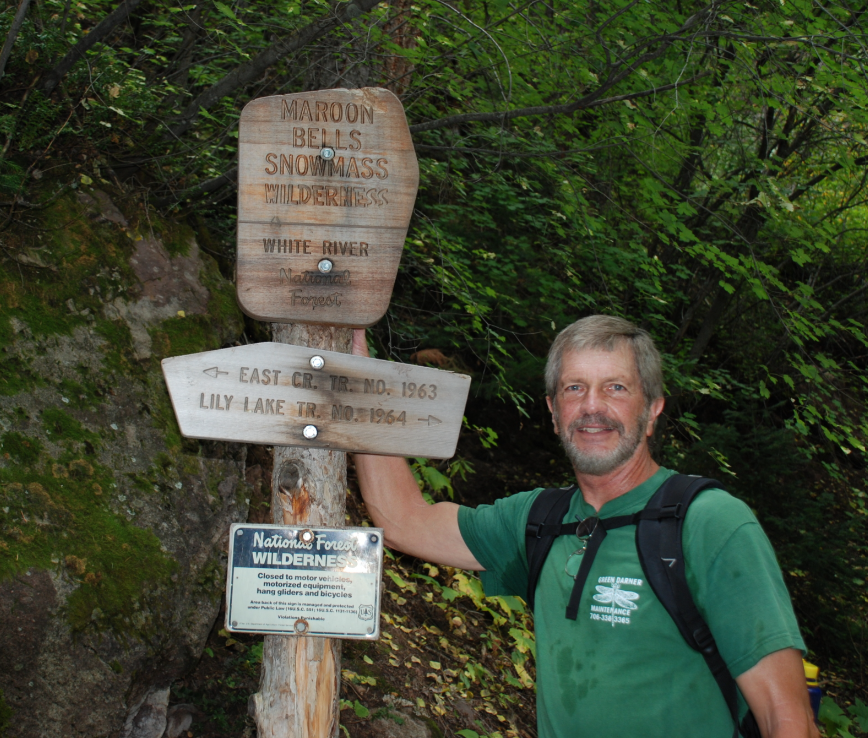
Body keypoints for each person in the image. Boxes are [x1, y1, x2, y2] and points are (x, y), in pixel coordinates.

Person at [352, 315, 819, 738]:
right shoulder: (540, 521)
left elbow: (789, 720)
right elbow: (403, 521)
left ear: (652, 408)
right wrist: (358, 376)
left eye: (615, 388)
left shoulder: (710, 523)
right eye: (575, 388)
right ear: (554, 412)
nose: (592, 407)